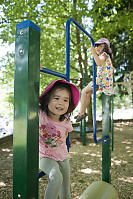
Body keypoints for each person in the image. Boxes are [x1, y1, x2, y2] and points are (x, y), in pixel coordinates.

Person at [39, 79, 80, 199]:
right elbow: (28, 99)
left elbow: (66, 133)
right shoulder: (41, 115)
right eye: (56, 98)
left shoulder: (66, 121)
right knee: (56, 177)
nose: (61, 103)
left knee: (66, 188)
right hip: (44, 155)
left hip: (62, 155)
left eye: (65, 100)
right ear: (47, 100)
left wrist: (65, 141)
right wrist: (36, 69)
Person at [75, 38, 114, 122]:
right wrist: (94, 52)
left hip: (100, 81)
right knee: (87, 93)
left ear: (106, 47)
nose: (98, 48)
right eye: (97, 46)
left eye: (101, 46)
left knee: (84, 91)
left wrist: (93, 52)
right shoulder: (105, 56)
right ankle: (82, 113)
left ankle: (81, 113)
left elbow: (99, 63)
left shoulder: (104, 54)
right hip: (103, 82)